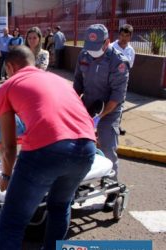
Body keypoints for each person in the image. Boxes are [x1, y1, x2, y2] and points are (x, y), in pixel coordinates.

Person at [0, 46, 96, 250]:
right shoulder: (59, 80)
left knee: (12, 221)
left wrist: (6, 176)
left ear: (10, 67)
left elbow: (8, 146)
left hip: (47, 150)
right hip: (86, 147)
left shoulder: (8, 86)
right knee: (60, 206)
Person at [73, 24, 129, 211]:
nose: (91, 52)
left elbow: (116, 97)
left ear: (106, 42)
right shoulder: (84, 55)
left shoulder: (118, 62)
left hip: (109, 111)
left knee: (106, 144)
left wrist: (99, 118)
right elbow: (77, 86)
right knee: (80, 145)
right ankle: (83, 180)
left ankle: (112, 189)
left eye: (96, 48)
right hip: (88, 107)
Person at [111, 24, 135, 136]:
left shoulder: (131, 50)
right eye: (122, 35)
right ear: (119, 35)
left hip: (123, 82)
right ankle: (103, 124)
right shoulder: (111, 47)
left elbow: (130, 65)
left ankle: (116, 125)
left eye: (127, 35)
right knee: (108, 102)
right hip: (110, 80)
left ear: (130, 37)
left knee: (120, 104)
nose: (124, 38)